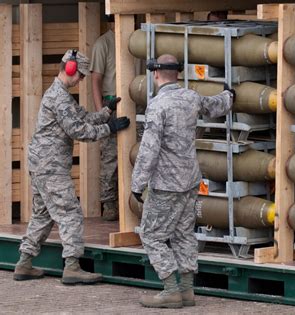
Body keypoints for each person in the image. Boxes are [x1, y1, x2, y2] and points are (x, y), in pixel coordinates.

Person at [13, 49, 130, 285]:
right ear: (70, 69)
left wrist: (106, 112)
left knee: (42, 215)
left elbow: (82, 117)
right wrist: (110, 128)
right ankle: (72, 266)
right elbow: (79, 131)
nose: (82, 80)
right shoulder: (59, 97)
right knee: (70, 213)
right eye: (81, 75)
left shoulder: (61, 96)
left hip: (42, 165)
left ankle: (24, 262)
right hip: (50, 167)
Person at [131, 54, 235, 308]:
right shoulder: (190, 97)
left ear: (156, 74)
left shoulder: (157, 105)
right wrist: (230, 95)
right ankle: (187, 290)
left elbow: (149, 150)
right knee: (183, 233)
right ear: (177, 73)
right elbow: (215, 106)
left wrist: (137, 184)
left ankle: (170, 289)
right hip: (190, 180)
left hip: (166, 184)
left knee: (152, 235)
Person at [90, 14, 119, 221]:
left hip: (134, 104)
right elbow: (96, 80)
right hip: (112, 104)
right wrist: (102, 112)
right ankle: (109, 203)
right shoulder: (103, 43)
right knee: (110, 157)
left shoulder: (135, 39)